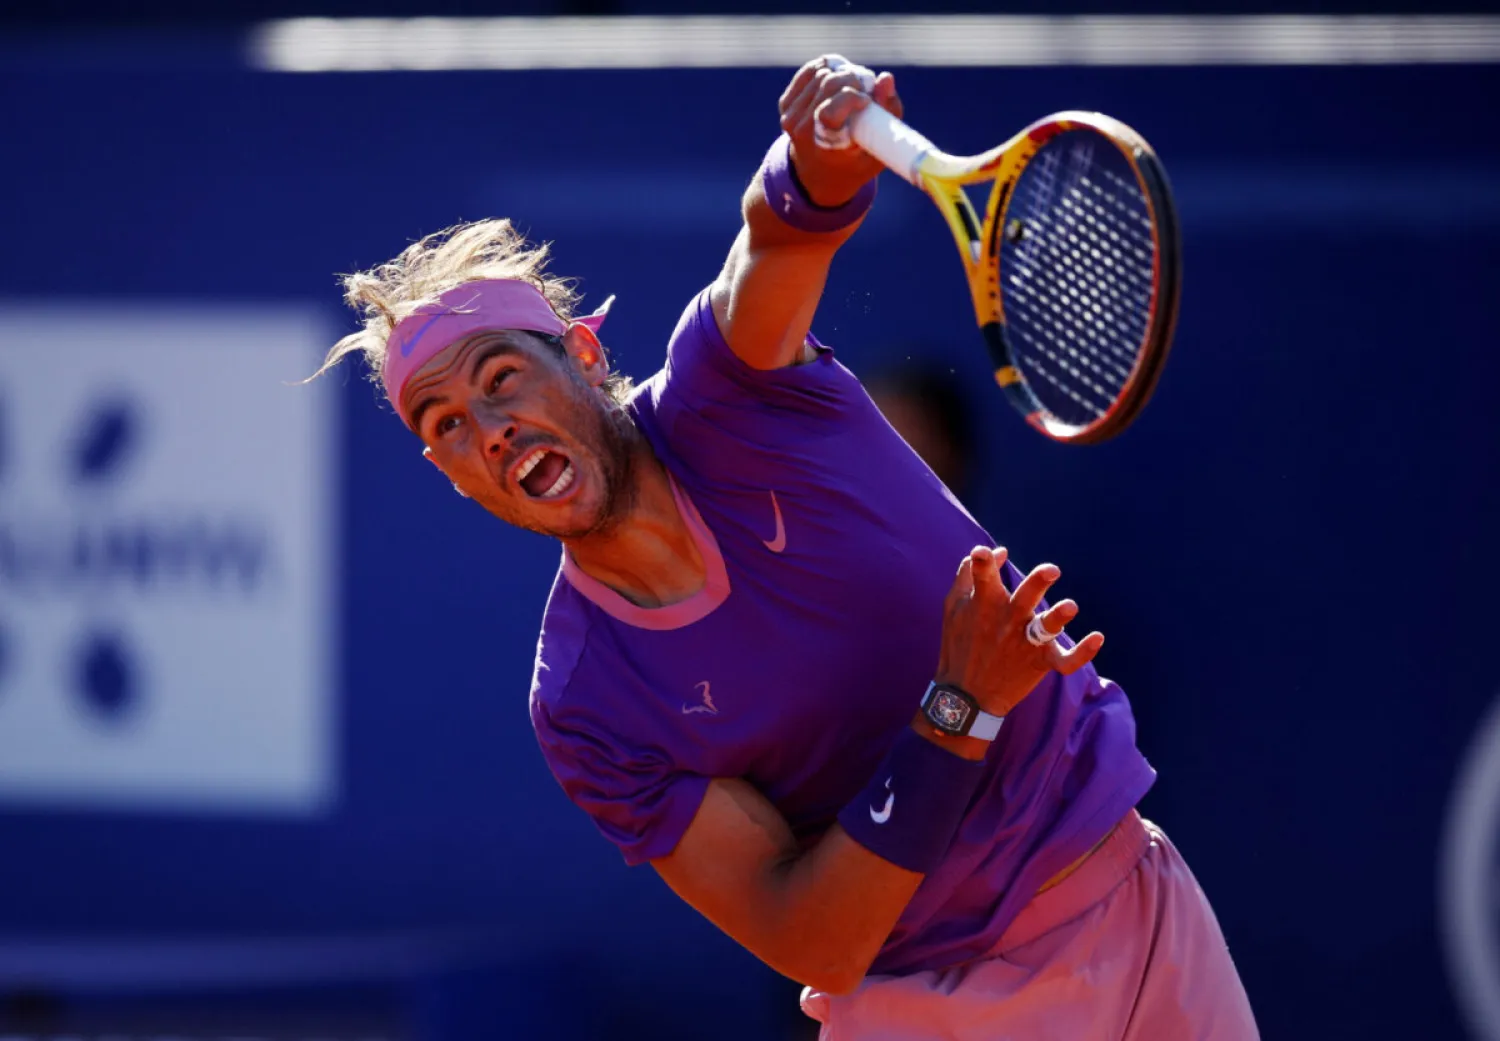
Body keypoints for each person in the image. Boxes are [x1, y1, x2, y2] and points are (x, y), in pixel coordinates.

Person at [317, 55, 1258, 1039]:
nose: (491, 429)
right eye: (448, 427)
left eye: (502, 377)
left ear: (586, 355)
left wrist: (815, 166)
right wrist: (959, 710)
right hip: (934, 1010)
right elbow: (815, 942)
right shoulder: (587, 705)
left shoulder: (729, 389)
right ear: (453, 477)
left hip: (1142, 902)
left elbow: (773, 246)